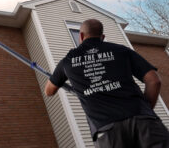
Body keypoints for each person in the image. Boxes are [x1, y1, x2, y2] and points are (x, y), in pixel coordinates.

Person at [44, 19, 169, 148]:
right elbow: (154, 80)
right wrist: (145, 110)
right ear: (102, 37)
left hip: (108, 131)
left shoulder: (67, 62)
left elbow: (49, 91)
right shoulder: (121, 51)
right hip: (144, 121)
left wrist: (57, 77)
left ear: (81, 36)